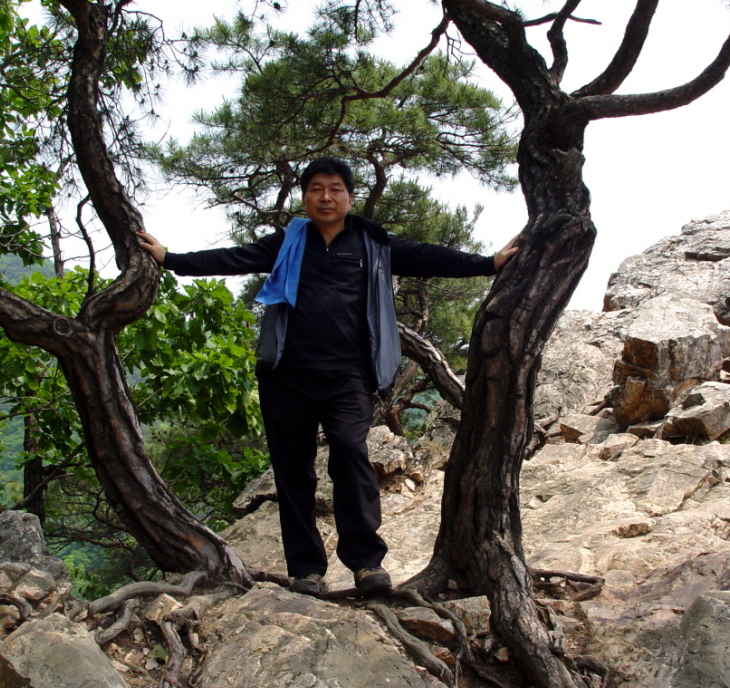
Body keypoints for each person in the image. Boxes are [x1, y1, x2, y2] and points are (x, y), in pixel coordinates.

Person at [137, 157, 519, 597]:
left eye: (335, 188)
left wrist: (487, 263)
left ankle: (367, 563)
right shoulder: (288, 242)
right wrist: (171, 259)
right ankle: (306, 570)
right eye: (316, 188)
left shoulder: (372, 242)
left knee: (351, 455)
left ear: (349, 197)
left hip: (349, 376)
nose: (325, 197)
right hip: (286, 374)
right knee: (293, 473)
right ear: (304, 198)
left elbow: (425, 256)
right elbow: (234, 257)